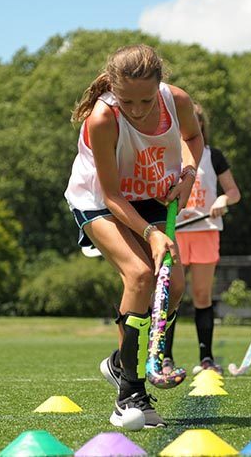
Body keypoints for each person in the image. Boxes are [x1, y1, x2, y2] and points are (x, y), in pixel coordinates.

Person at [64, 44, 203, 428]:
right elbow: (110, 194)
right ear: (112, 86)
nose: (138, 110)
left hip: (151, 195)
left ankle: (120, 361)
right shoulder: (102, 118)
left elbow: (193, 140)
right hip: (101, 201)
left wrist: (188, 177)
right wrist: (150, 234)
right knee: (140, 275)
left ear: (160, 86)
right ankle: (130, 393)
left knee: (173, 286)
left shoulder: (177, 102)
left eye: (146, 101)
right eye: (128, 100)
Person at [163, 103, 241, 375]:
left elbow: (233, 192)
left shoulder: (212, 156)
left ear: (200, 126)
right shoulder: (167, 155)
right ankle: (164, 358)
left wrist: (222, 199)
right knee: (171, 294)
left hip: (206, 230)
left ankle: (206, 359)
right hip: (175, 233)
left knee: (201, 295)